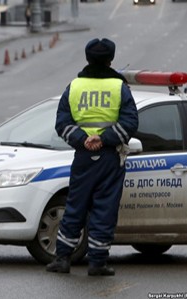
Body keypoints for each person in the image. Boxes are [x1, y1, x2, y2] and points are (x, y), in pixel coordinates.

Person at [46, 38, 138, 276]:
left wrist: (83, 139)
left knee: (75, 205)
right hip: (109, 157)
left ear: (87, 58)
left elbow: (62, 123)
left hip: (83, 156)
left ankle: (63, 258)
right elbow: (130, 122)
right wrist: (105, 138)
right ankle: (97, 263)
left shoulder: (74, 86)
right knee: (104, 209)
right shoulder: (119, 88)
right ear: (111, 59)